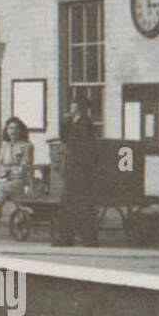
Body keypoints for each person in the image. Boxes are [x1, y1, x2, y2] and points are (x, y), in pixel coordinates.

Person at [55, 99, 99, 247]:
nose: (70, 108)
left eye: (72, 106)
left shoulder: (84, 124)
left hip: (80, 171)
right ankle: (69, 238)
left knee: (79, 205)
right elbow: (65, 138)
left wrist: (80, 167)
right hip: (74, 170)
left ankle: (83, 238)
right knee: (71, 205)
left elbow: (86, 148)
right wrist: (65, 122)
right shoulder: (75, 123)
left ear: (78, 108)